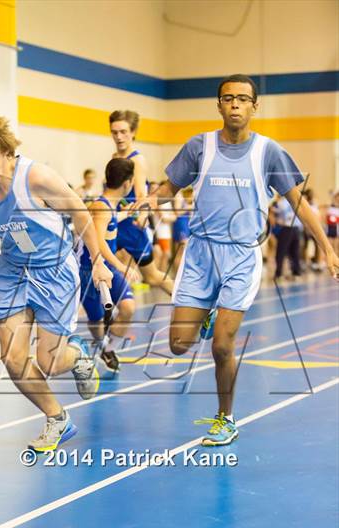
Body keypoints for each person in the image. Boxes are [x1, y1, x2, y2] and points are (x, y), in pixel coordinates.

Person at [135, 74, 339, 446]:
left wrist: (327, 247)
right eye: (227, 98)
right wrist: (154, 199)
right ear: (218, 105)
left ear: (254, 106)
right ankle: (209, 315)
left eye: (242, 99)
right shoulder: (199, 146)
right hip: (198, 255)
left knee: (222, 346)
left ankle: (225, 418)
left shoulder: (268, 152)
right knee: (179, 343)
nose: (234, 105)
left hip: (240, 257)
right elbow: (170, 187)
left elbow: (299, 204)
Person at [0, 111, 112, 452]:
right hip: (12, 272)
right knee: (12, 359)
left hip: (54, 271)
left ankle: (78, 357)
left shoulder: (36, 177)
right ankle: (58, 419)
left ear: (5, 150)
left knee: (50, 362)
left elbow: (80, 213)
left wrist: (98, 260)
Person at [79, 158, 138, 372]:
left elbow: (108, 222)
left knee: (128, 307)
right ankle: (102, 344)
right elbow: (99, 241)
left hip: (108, 269)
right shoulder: (100, 207)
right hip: (90, 271)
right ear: (128, 184)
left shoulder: (109, 207)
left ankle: (108, 348)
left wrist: (125, 214)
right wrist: (121, 266)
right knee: (96, 323)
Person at [109, 110, 173, 294]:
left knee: (152, 277)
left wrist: (143, 216)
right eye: (114, 132)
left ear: (133, 132)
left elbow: (141, 196)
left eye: (123, 132)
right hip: (115, 223)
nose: (119, 137)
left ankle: (193, 306)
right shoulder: (114, 158)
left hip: (131, 227)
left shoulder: (136, 160)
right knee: (94, 262)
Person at [274, 196, 303, 280]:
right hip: (296, 229)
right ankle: (296, 272)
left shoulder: (281, 202)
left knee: (281, 252)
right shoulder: (296, 200)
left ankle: (279, 273)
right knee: (295, 252)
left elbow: (278, 215)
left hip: (287, 229)